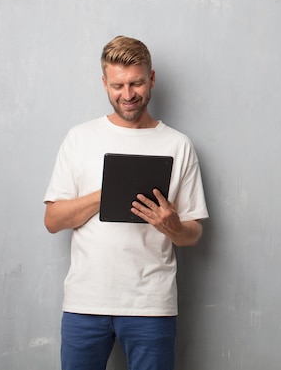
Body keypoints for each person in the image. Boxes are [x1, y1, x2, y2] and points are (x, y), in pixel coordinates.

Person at [43, 35, 209, 370]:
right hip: (85, 302)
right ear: (104, 82)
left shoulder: (178, 145)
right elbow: (52, 220)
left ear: (152, 78)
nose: (128, 94)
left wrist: (173, 227)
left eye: (136, 83)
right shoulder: (80, 138)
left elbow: (194, 234)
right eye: (117, 85)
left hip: (151, 305)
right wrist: (106, 194)